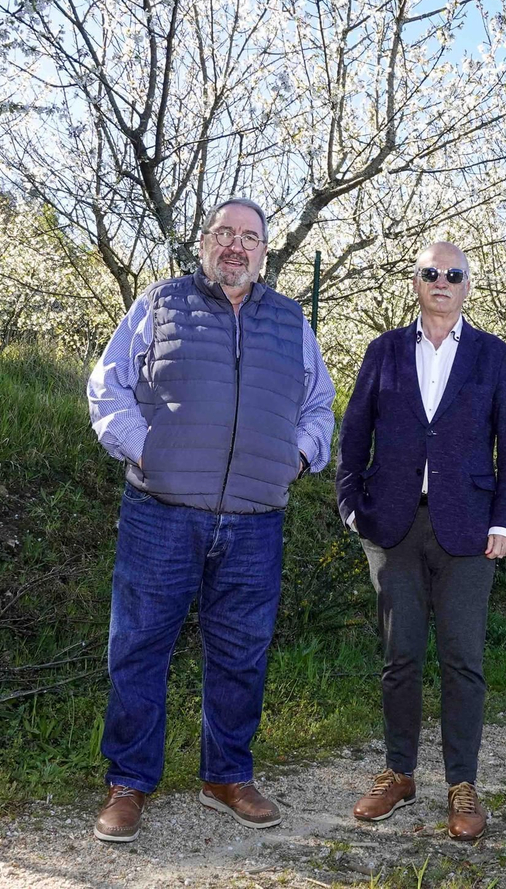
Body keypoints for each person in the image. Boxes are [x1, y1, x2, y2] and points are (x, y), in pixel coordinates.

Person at [85, 198, 335, 843]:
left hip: (255, 520)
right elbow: (107, 389)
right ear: (204, 242)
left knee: (242, 653)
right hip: (160, 514)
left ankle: (227, 775)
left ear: (263, 251)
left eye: (249, 237)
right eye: (224, 233)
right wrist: (149, 452)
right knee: (139, 649)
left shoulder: (290, 320)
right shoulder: (160, 303)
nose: (236, 246)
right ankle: (129, 783)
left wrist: (295, 459)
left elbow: (319, 406)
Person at [336, 242, 506, 841]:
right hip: (394, 527)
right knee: (400, 657)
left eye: (454, 274)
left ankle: (462, 784)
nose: (442, 282)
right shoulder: (384, 351)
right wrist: (351, 507)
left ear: (468, 285)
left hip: (470, 533)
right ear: (416, 282)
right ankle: (398, 772)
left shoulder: (494, 356)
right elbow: (354, 434)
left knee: (463, 659)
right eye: (431, 273)